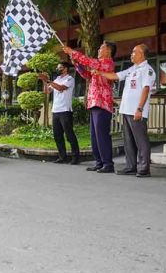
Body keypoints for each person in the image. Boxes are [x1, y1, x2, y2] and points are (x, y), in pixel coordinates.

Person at [93, 44, 155, 177]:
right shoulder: (132, 69)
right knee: (128, 140)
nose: (131, 54)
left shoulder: (147, 70)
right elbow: (116, 76)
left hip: (136, 111)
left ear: (142, 54)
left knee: (140, 140)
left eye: (134, 52)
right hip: (126, 110)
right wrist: (100, 73)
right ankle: (130, 166)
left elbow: (146, 89)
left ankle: (144, 168)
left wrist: (139, 108)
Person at [62, 41, 116, 173]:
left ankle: (108, 163)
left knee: (102, 134)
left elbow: (90, 62)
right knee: (94, 135)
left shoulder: (107, 63)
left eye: (101, 47)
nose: (98, 49)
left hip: (102, 103)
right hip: (94, 102)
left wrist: (72, 52)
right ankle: (99, 162)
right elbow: (87, 75)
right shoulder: (98, 65)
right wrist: (77, 64)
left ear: (108, 51)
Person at [40, 62, 80, 164]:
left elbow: (61, 88)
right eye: (58, 67)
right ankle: (62, 157)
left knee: (69, 134)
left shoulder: (70, 79)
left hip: (65, 110)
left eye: (60, 67)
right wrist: (45, 82)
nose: (58, 69)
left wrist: (49, 80)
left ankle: (76, 157)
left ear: (65, 68)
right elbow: (47, 91)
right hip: (56, 110)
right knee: (57, 135)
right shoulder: (57, 79)